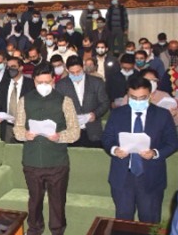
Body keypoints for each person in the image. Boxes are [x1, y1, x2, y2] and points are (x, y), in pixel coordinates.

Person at [12, 64, 80, 235]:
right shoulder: (25, 100)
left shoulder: (65, 101)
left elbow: (75, 132)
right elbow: (17, 128)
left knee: (57, 204)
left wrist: (59, 136)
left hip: (57, 162)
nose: (44, 85)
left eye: (47, 82)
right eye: (39, 82)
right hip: (32, 160)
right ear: (34, 81)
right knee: (34, 202)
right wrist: (25, 134)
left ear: (53, 80)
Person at [101, 73, 177, 223]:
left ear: (150, 95)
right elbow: (107, 138)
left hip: (150, 177)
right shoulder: (117, 114)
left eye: (142, 98)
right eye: (133, 98)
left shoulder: (162, 115)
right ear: (128, 95)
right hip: (123, 177)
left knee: (149, 221)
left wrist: (155, 153)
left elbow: (172, 142)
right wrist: (114, 150)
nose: (137, 101)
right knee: (123, 221)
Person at [55, 55, 108, 148]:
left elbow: (105, 103)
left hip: (93, 131)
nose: (76, 75)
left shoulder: (97, 82)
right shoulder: (60, 85)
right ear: (67, 70)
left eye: (78, 71)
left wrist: (94, 115)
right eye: (72, 72)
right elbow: (57, 107)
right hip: (71, 131)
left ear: (83, 67)